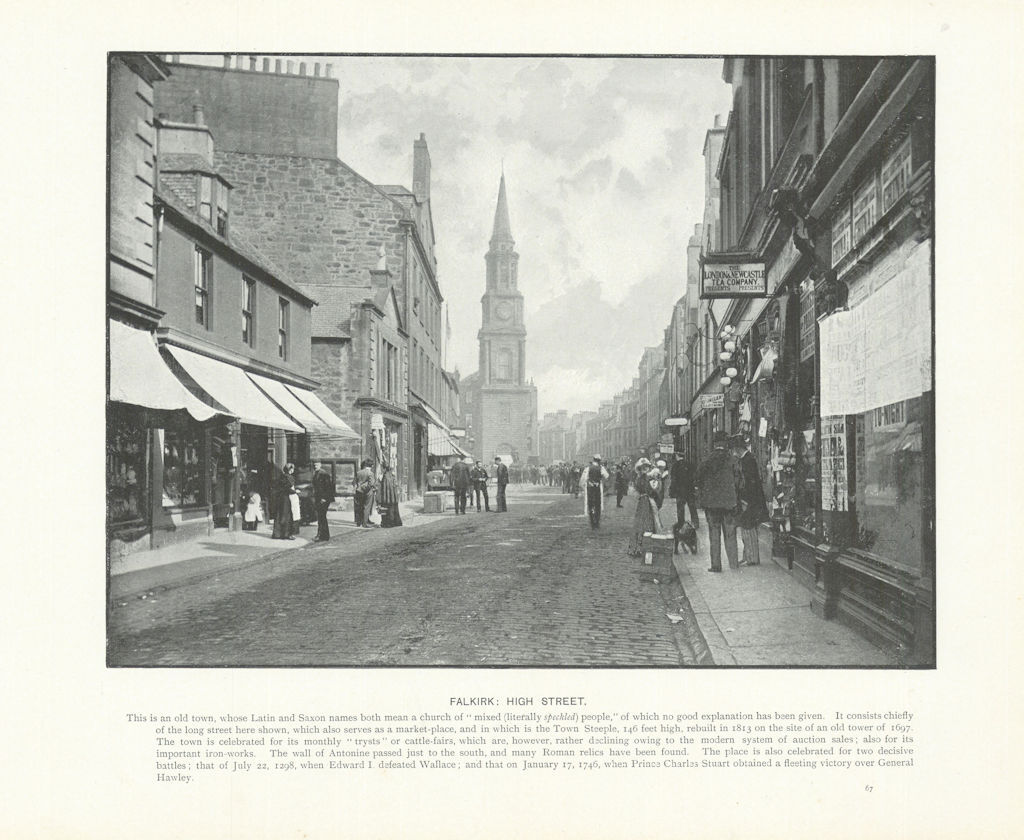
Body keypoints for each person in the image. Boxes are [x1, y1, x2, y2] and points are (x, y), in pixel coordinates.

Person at [696, 431, 740, 572]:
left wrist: (705, 493)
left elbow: (698, 480)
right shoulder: (732, 460)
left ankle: (716, 565)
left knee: (714, 534)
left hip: (712, 505)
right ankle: (733, 564)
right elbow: (740, 481)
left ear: (714, 444)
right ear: (725, 443)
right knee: (730, 533)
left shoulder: (706, 460)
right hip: (729, 503)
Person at [732, 435, 768, 566]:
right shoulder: (746, 459)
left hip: (750, 500)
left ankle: (752, 557)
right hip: (749, 499)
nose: (733, 452)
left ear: (738, 448)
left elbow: (750, 483)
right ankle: (748, 555)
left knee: (749, 527)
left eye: (734, 449)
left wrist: (746, 501)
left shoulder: (748, 460)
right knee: (746, 528)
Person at [627, 458, 663, 556]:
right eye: (643, 467)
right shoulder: (648, 478)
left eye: (646, 467)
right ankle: (644, 547)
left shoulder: (639, 478)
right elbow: (653, 491)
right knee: (648, 522)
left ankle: (638, 547)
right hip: (647, 501)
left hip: (642, 501)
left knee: (640, 523)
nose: (645, 469)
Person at [669, 451, 699, 530]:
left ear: (677, 456)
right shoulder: (690, 465)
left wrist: (672, 491)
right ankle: (696, 523)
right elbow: (694, 477)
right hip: (689, 490)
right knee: (692, 507)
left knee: (680, 508)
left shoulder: (675, 466)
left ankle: (681, 524)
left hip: (680, 491)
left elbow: (673, 480)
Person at [271, 463, 296, 539]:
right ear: (290, 470)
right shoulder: (289, 477)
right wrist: (294, 491)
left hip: (279, 498)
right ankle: (286, 534)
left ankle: (277, 534)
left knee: (279, 515)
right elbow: (287, 488)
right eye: (292, 469)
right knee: (286, 516)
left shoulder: (281, 477)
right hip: (285, 498)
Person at [584, 455, 609, 529]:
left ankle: (592, 522)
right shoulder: (601, 468)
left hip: (590, 488)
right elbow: (607, 476)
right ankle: (597, 522)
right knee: (598, 504)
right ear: (599, 461)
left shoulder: (588, 468)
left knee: (591, 504)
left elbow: (585, 478)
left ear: (593, 460)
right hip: (597, 487)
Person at [312, 461, 334, 542]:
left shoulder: (323, 474)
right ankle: (323, 536)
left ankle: (321, 535)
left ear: (320, 465)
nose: (315, 466)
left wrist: (324, 498)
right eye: (314, 465)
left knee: (322, 517)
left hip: (324, 499)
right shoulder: (316, 473)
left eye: (317, 465)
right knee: (321, 517)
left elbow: (328, 487)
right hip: (319, 498)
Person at [353, 459, 377, 528]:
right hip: (368, 492)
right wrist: (368, 489)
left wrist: (358, 487)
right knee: (367, 507)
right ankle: (365, 523)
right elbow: (371, 483)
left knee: (359, 506)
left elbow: (354, 482)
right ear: (371, 466)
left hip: (358, 491)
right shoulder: (370, 473)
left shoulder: (358, 472)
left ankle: (358, 522)